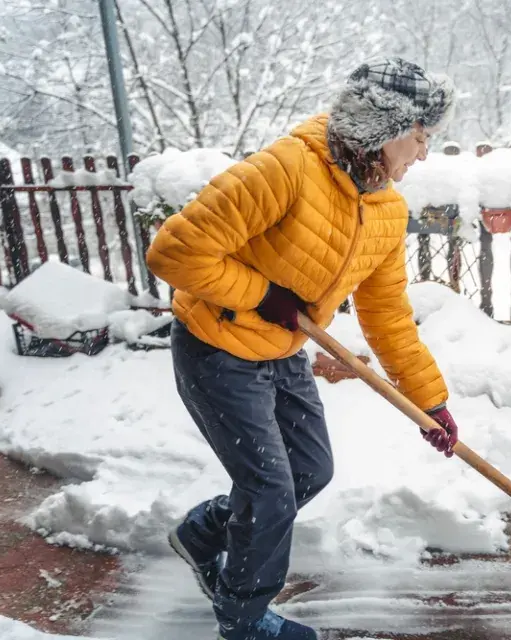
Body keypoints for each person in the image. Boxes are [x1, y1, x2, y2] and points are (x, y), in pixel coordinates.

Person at [145, 57, 460, 640]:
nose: (423, 154)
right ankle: (243, 621)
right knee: (270, 492)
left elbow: (387, 312)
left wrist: (429, 403)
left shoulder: (386, 208)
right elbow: (174, 253)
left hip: (283, 349)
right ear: (383, 130)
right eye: (420, 138)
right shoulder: (286, 170)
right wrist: (261, 294)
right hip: (217, 348)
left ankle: (203, 535)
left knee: (310, 471)